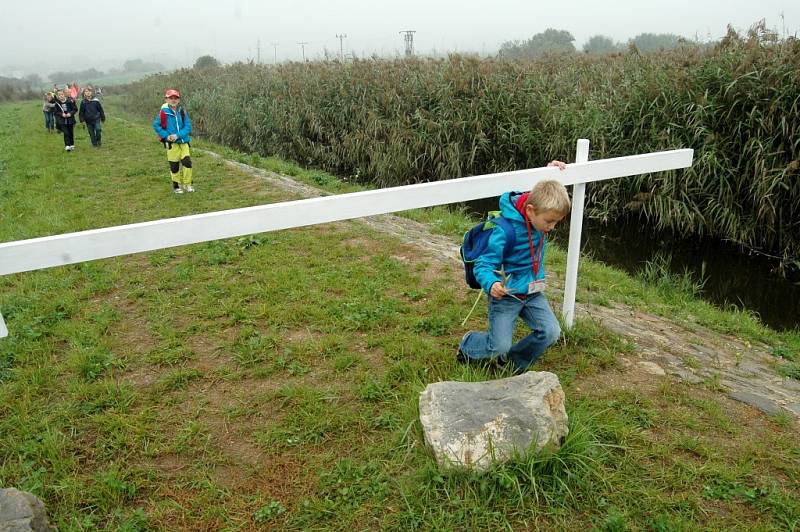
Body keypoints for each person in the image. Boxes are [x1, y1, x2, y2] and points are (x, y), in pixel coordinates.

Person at [457, 168, 571, 374]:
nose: (552, 227)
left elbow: (542, 192)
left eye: (556, 222)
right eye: (549, 221)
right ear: (529, 211)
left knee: (551, 332)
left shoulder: (539, 213)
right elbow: (483, 264)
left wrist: (552, 170)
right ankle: (469, 344)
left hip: (532, 292)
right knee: (498, 346)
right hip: (506, 295)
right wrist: (492, 284)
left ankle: (511, 363)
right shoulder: (505, 230)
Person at [152, 88, 194, 193]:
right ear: (166, 99)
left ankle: (187, 185)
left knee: (187, 163)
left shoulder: (182, 111)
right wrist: (167, 136)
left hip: (184, 142)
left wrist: (178, 135)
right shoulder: (163, 113)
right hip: (171, 144)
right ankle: (176, 186)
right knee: (174, 166)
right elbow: (156, 125)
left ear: (179, 100)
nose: (173, 100)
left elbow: (188, 126)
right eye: (171, 98)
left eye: (175, 98)